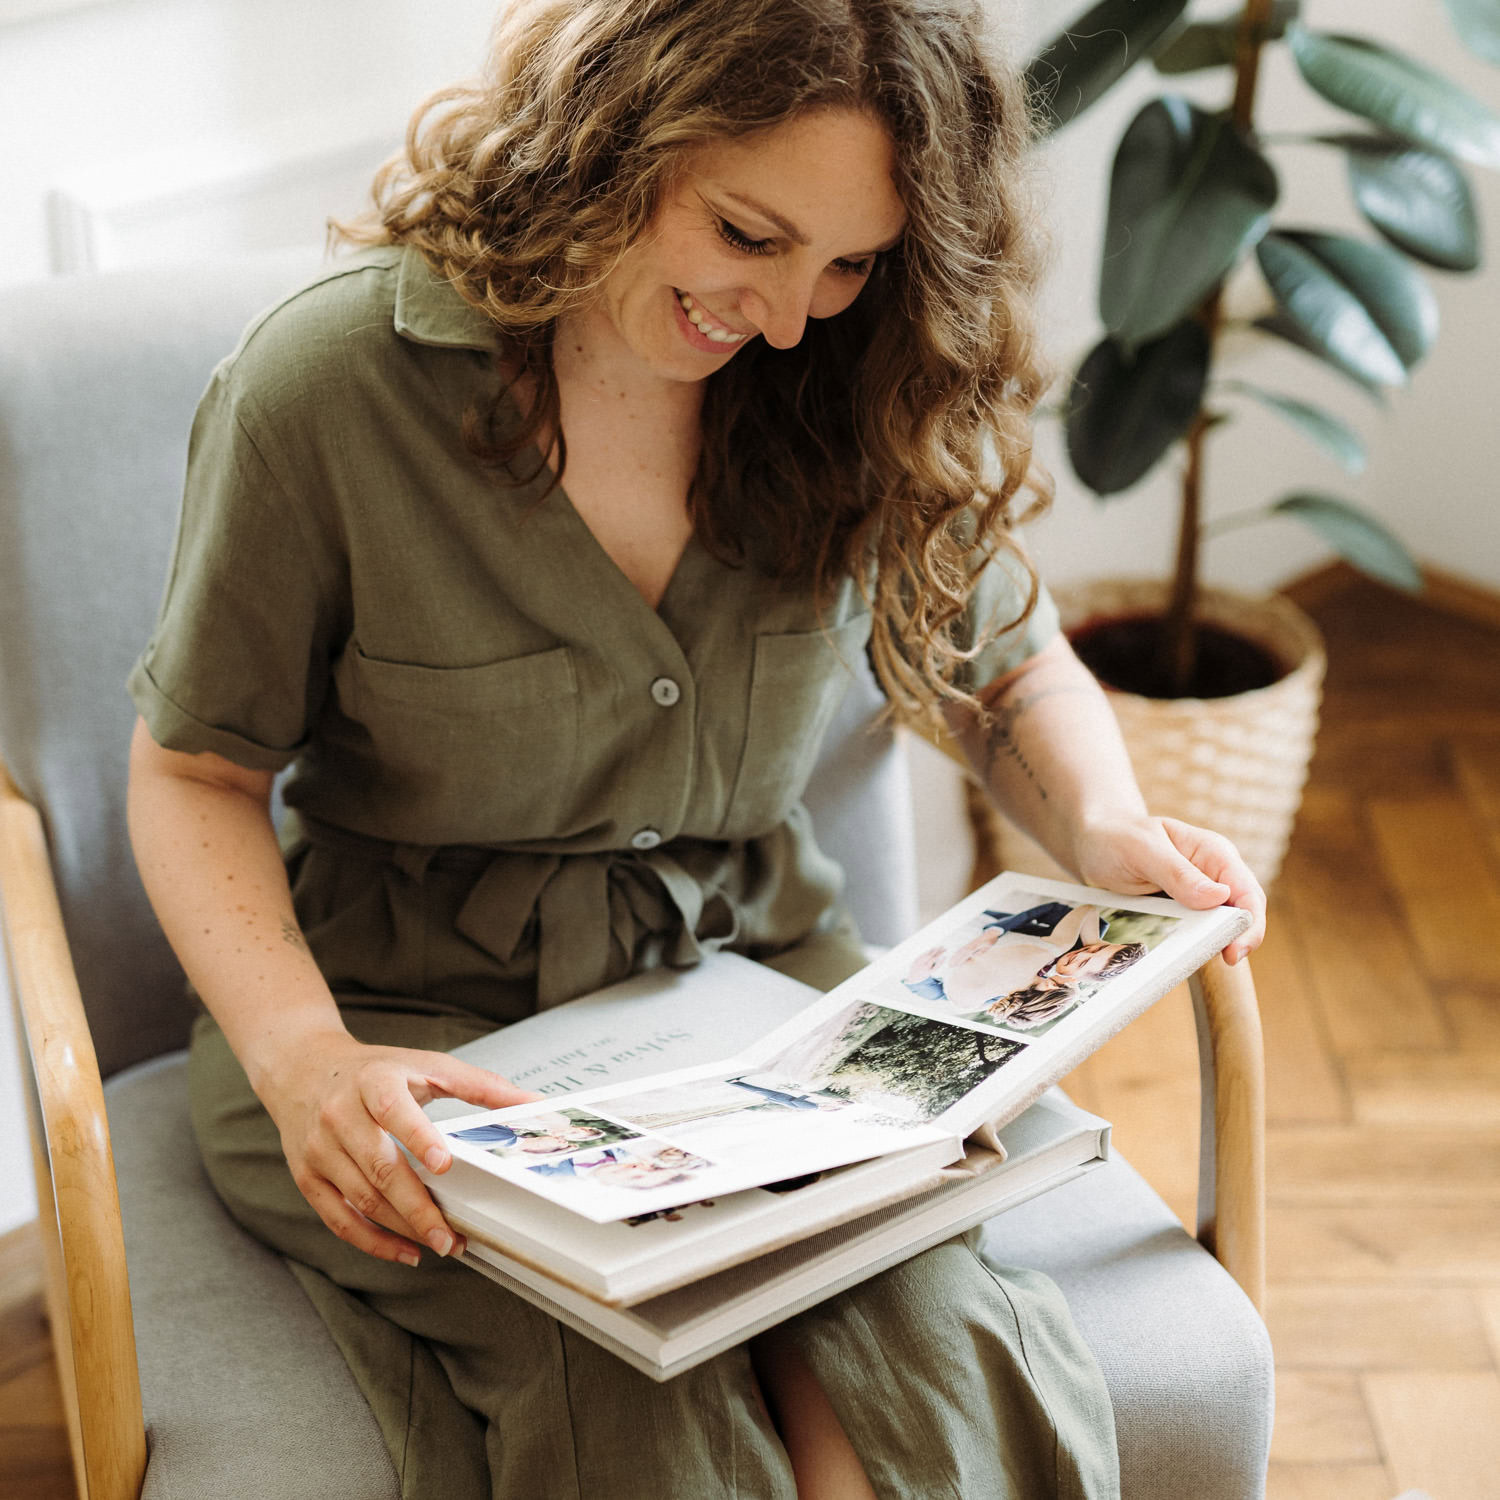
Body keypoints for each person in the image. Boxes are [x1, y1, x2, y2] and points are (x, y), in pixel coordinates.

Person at [123, 1, 1266, 1496]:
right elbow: (193, 770)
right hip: (409, 1032)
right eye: (748, 233)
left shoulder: (854, 383)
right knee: (630, 1411)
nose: (789, 314)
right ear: (618, 137)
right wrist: (304, 1061)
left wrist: (1104, 822)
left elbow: (1004, 667)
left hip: (766, 1015)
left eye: (850, 263)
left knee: (922, 1368)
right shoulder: (330, 393)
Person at [903, 903, 1143, 1015]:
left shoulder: (1030, 984)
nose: (1079, 954)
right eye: (1092, 949)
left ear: (1085, 979)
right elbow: (1061, 909)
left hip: (930, 954)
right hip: (977, 921)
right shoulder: (1075, 940)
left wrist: (917, 977)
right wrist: (1093, 943)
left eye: (1083, 963)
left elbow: (939, 995)